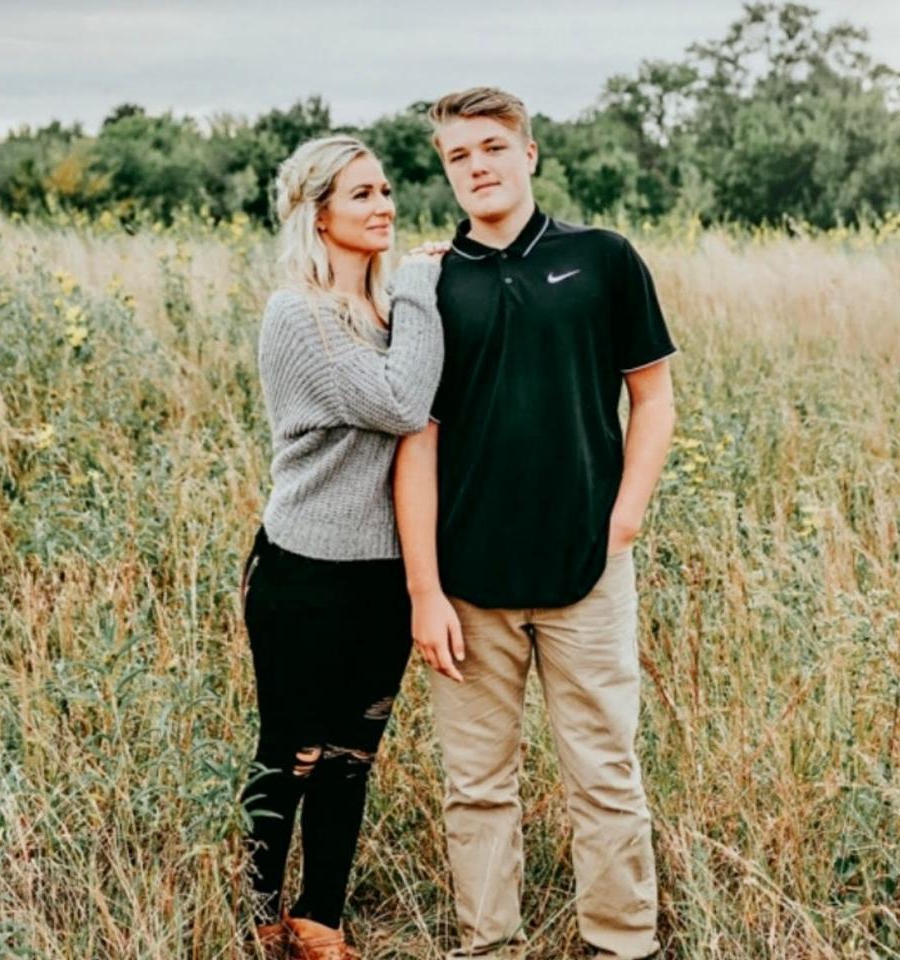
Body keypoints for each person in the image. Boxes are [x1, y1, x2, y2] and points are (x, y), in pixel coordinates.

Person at [393, 87, 677, 960]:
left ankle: (621, 942)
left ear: (529, 153)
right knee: (477, 787)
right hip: (468, 585)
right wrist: (424, 590)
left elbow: (653, 396)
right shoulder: (432, 282)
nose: (475, 167)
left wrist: (621, 523)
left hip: (587, 571)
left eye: (490, 147)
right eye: (456, 157)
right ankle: (490, 944)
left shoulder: (601, 259)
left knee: (605, 773)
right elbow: (418, 438)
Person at [240, 134, 444, 960]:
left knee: (352, 755)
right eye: (361, 194)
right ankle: (258, 908)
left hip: (384, 575)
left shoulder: (387, 312)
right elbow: (404, 403)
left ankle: (320, 918)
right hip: (303, 570)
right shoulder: (302, 314)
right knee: (291, 751)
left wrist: (413, 298)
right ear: (318, 213)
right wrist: (428, 285)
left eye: (387, 189)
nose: (384, 204)